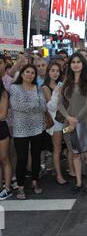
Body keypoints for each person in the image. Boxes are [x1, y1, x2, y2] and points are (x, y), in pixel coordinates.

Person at [58, 53, 87, 193]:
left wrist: (76, 120)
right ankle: (79, 182)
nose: (75, 64)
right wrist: (68, 118)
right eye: (73, 61)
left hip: (84, 122)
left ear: (83, 64)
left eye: (78, 61)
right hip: (68, 124)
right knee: (74, 154)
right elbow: (60, 104)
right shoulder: (66, 81)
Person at [10, 64, 46, 199]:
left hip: (37, 127)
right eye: (27, 72)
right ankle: (20, 186)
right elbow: (16, 106)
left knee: (36, 156)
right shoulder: (14, 88)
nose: (30, 74)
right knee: (22, 158)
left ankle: (35, 181)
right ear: (22, 74)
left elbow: (43, 107)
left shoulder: (38, 88)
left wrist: (29, 106)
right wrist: (33, 106)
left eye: (32, 72)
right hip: (20, 129)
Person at [42, 62, 67, 185]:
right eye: (52, 70)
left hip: (66, 120)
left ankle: (71, 170)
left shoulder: (62, 84)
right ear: (48, 72)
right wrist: (57, 92)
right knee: (57, 148)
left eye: (57, 70)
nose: (55, 73)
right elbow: (51, 107)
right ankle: (59, 175)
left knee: (68, 146)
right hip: (56, 122)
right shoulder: (45, 87)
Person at [0, 78, 13, 200]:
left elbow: (3, 114)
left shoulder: (3, 93)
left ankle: (7, 188)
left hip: (1, 128)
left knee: (4, 159)